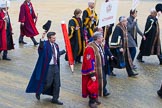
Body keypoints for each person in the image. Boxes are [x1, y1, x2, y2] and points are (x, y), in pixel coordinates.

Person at [26, 32, 66, 105]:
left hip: (56, 67)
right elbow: (40, 49)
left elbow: (56, 55)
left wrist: (64, 51)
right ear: (49, 38)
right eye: (53, 38)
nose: (55, 39)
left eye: (55, 38)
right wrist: (42, 38)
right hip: (49, 67)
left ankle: (55, 99)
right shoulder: (45, 45)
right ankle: (39, 91)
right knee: (48, 83)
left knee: (57, 84)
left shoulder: (56, 45)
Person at [82, 32, 110, 108]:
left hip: (101, 68)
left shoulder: (99, 45)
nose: (102, 38)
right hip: (94, 70)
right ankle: (91, 101)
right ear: (97, 39)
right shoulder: (90, 48)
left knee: (103, 82)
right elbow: (89, 61)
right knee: (93, 86)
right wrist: (92, 74)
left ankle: (96, 97)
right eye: (101, 37)